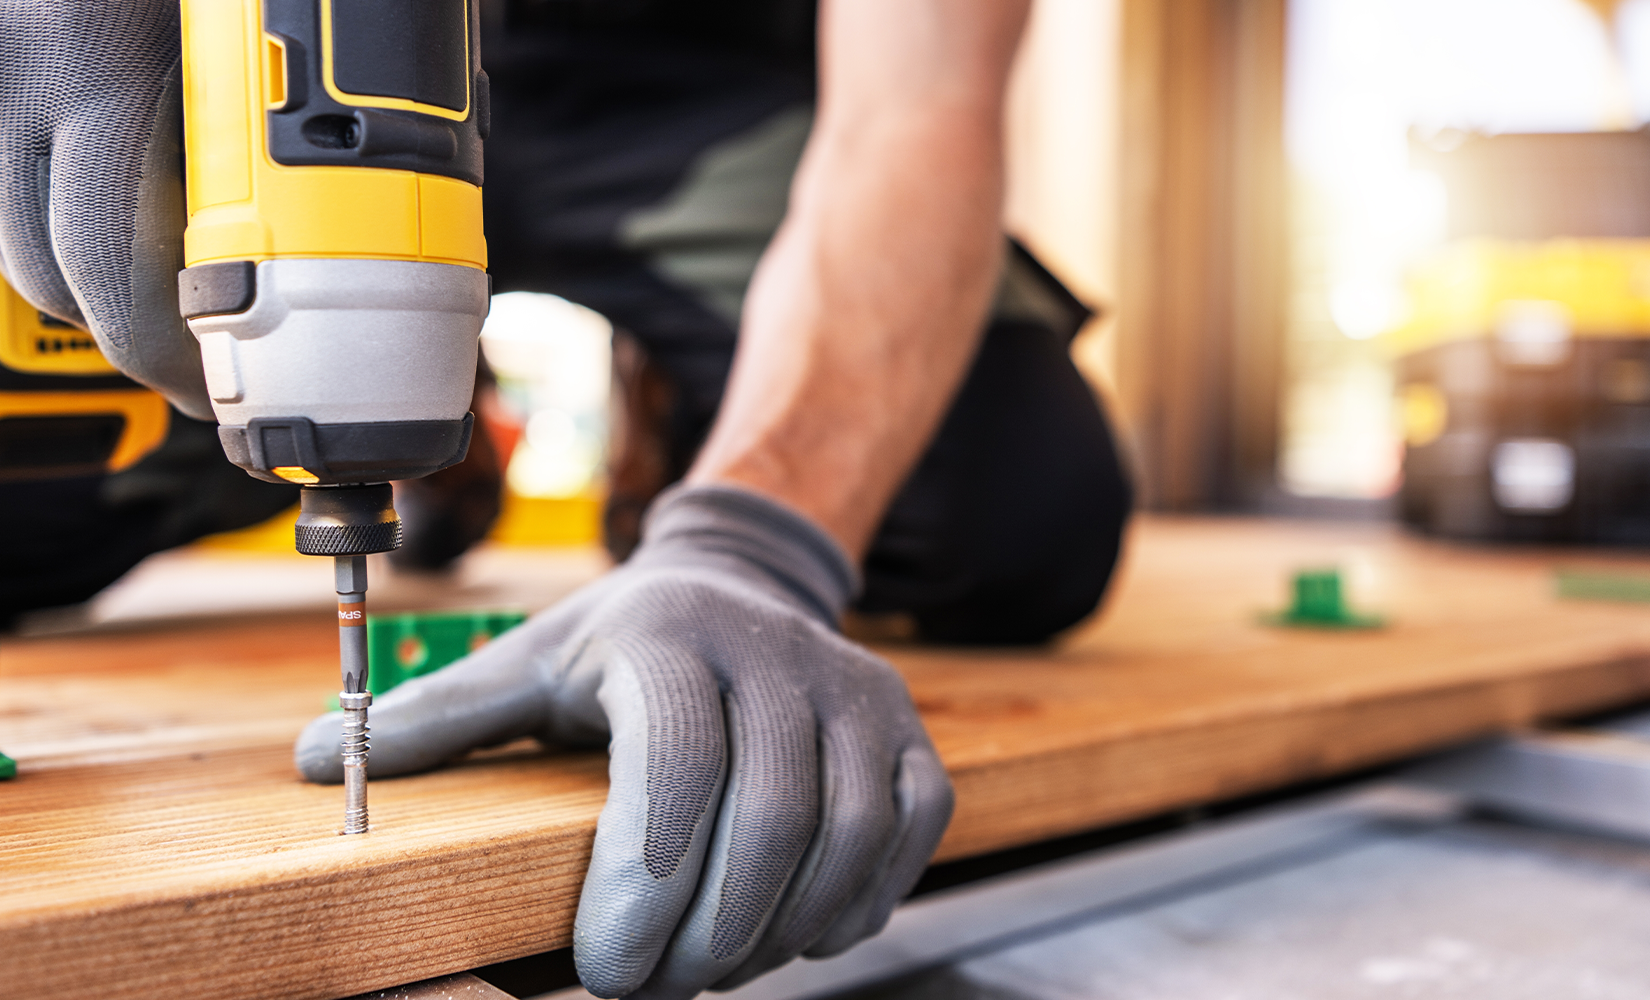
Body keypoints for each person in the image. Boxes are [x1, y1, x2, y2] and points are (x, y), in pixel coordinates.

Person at [0, 1, 1131, 997]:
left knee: (1013, 508)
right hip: (264, 88)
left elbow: (916, 103)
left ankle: (659, 405)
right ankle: (421, 413)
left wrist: (754, 543)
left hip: (681, 87)